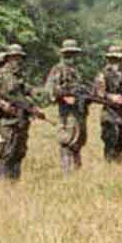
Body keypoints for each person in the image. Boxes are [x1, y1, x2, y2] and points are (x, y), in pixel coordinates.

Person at [0, 44, 38, 180]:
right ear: (8, 58)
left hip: (20, 122)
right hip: (3, 123)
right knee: (3, 154)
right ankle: (3, 186)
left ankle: (14, 185)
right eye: (14, 57)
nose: (17, 61)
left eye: (20, 58)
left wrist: (32, 106)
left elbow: (28, 95)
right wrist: (2, 105)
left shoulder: (20, 78)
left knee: (18, 153)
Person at [43, 39, 89, 174]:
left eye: (74, 54)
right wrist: (64, 97)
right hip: (67, 114)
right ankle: (67, 173)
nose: (72, 57)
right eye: (69, 54)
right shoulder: (58, 69)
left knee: (78, 141)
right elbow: (49, 89)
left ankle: (77, 171)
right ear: (63, 54)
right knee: (67, 141)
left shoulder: (76, 70)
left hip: (79, 112)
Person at [92, 45, 122, 163]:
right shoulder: (103, 75)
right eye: (114, 59)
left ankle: (118, 167)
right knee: (110, 140)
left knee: (121, 142)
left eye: (119, 59)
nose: (117, 62)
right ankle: (109, 166)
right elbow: (97, 95)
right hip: (110, 113)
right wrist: (111, 97)